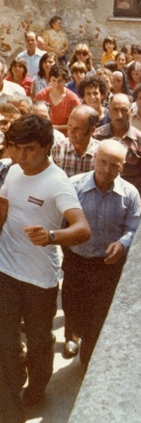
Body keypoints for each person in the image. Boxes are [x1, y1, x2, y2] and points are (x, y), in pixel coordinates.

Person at [0, 115, 90, 423]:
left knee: (39, 344)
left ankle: (38, 385)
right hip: (4, 272)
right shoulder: (12, 171)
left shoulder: (58, 182)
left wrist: (51, 236)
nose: (23, 156)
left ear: (47, 148)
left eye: (30, 149)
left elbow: (83, 229)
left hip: (41, 281)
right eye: (18, 148)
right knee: (4, 347)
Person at [62, 140, 140, 365]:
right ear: (94, 159)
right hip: (76, 261)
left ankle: (89, 354)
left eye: (114, 165)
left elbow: (134, 227)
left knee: (100, 314)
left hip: (107, 266)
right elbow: (59, 221)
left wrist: (122, 244)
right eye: (103, 162)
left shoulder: (130, 195)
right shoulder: (73, 186)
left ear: (122, 167)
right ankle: (72, 335)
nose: (107, 169)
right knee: (73, 305)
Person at [94, 93, 141, 193]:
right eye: (115, 110)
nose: (119, 115)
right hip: (98, 194)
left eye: (124, 110)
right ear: (109, 111)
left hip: (129, 197)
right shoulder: (97, 136)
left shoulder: (139, 141)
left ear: (131, 112)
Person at [51, 105, 100, 178]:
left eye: (77, 129)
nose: (71, 132)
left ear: (91, 130)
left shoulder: (100, 153)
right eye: (69, 126)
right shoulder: (57, 148)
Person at [35, 62, 81, 133]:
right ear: (50, 79)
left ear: (65, 80)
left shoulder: (73, 99)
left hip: (65, 137)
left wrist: (58, 128)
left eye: (60, 81)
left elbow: (78, 122)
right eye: (54, 80)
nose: (56, 84)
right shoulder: (41, 95)